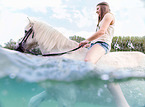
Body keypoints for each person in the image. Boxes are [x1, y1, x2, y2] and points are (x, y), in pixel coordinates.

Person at [79, 2, 130, 107]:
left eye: (98, 8)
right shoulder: (101, 20)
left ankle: (110, 79)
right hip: (96, 44)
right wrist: (89, 44)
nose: (96, 11)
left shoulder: (108, 15)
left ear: (103, 8)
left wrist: (86, 40)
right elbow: (98, 36)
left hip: (103, 45)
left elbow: (102, 32)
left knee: (88, 61)